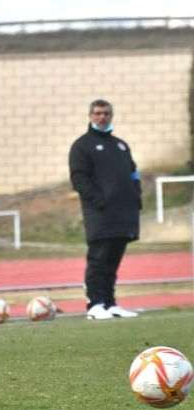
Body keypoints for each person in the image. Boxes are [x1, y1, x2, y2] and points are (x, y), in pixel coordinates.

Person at [69, 99, 141, 320]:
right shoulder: (82, 146)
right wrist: (99, 200)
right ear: (90, 116)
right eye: (98, 113)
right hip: (100, 214)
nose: (102, 117)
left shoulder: (120, 146)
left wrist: (136, 198)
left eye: (106, 113)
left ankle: (110, 303)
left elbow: (133, 173)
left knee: (113, 261)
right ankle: (95, 304)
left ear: (111, 116)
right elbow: (78, 179)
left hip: (123, 213)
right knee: (98, 259)